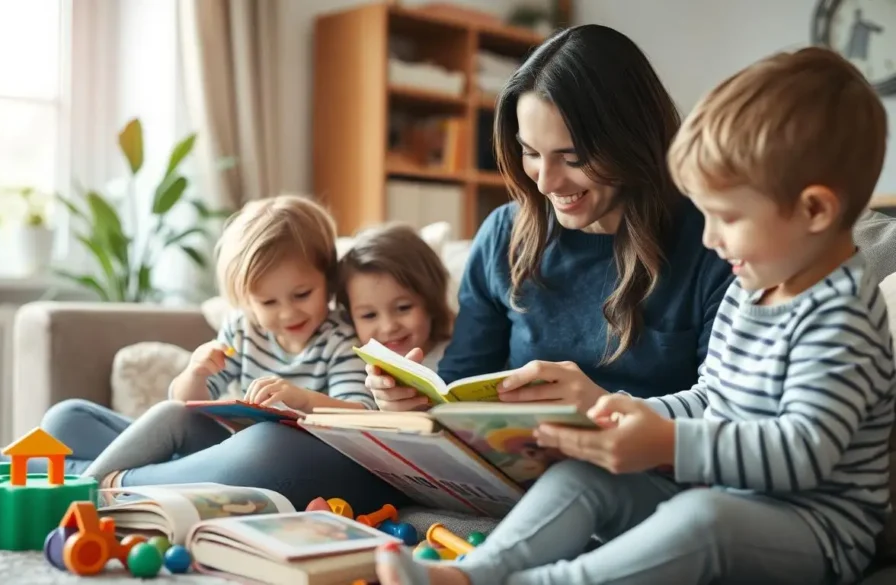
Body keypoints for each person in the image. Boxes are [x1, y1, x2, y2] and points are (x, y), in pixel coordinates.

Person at [375, 45, 893, 585]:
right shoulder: (753, 288)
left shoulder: (843, 316)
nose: (712, 238)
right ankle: (474, 574)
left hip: (814, 532)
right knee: (585, 473)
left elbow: (801, 453)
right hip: (721, 495)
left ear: (815, 210)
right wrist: (622, 414)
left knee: (704, 520)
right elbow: (709, 398)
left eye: (728, 218)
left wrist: (667, 444)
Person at [368, 23, 736, 414]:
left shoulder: (714, 241)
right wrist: (413, 403)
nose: (546, 182)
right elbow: (460, 387)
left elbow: (723, 416)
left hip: (639, 465)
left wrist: (602, 406)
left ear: (632, 141)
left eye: (572, 158)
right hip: (512, 464)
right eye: (530, 152)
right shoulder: (503, 234)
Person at [75, 194, 378, 487]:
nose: (287, 313)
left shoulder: (339, 338)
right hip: (231, 453)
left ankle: (93, 485)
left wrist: (304, 400)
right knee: (70, 417)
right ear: (246, 300)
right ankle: (133, 476)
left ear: (328, 278)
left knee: (265, 441)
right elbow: (183, 407)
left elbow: (361, 416)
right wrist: (196, 373)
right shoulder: (244, 329)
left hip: (285, 461)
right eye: (268, 302)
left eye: (302, 294)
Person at [336, 223, 454, 371]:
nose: (389, 327)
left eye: (403, 307)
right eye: (369, 315)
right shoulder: (350, 365)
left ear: (431, 299)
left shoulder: (461, 354)